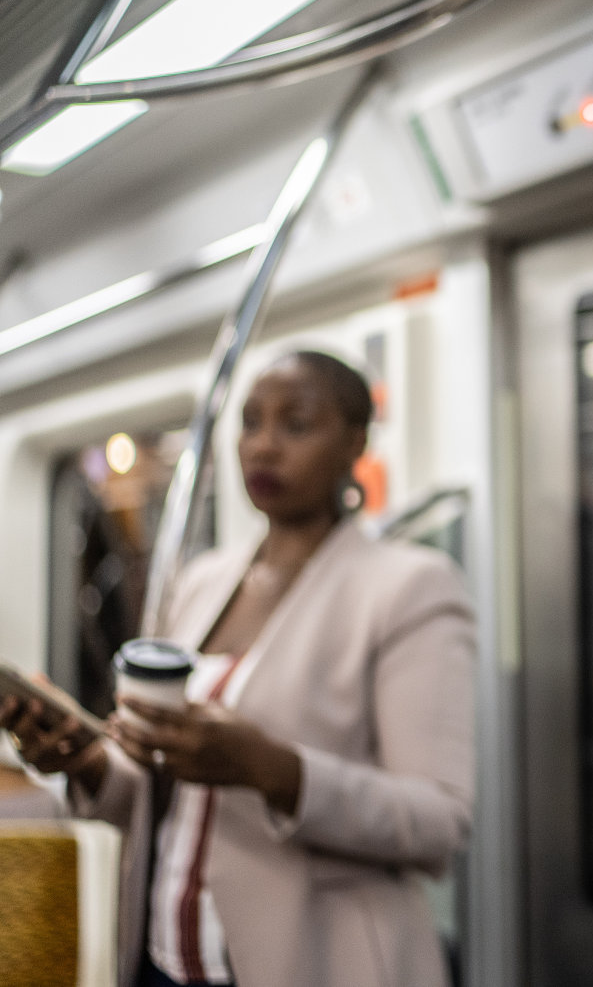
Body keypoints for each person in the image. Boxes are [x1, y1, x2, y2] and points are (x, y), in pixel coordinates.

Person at [0, 350, 476, 987]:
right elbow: (161, 788)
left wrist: (271, 769)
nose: (264, 446)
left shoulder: (408, 587)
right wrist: (85, 761)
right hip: (162, 955)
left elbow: (438, 821)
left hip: (311, 962)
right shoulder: (202, 582)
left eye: (295, 424)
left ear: (355, 443)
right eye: (251, 423)